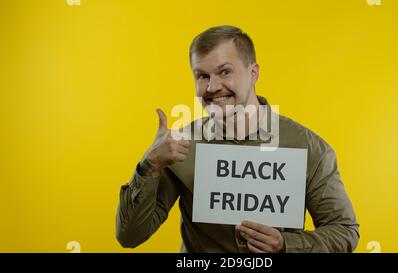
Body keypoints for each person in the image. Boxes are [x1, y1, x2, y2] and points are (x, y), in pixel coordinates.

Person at [116, 25, 359, 253]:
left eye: (225, 71)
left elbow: (344, 231)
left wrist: (286, 244)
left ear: (253, 73)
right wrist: (149, 166)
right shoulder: (180, 146)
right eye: (202, 76)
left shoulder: (307, 147)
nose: (212, 87)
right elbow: (130, 237)